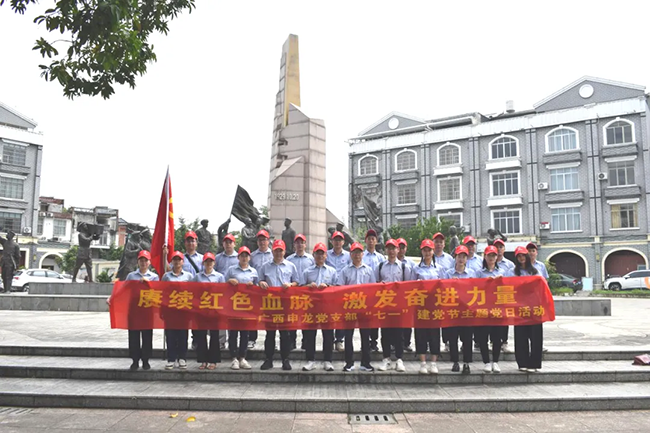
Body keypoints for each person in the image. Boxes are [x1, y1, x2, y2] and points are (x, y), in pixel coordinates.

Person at [108, 250, 158, 371]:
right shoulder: (131, 276)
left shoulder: (154, 277)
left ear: (149, 262)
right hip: (134, 311)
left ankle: (146, 360)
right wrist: (112, 298)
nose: (143, 263)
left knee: (147, 337)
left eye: (146, 260)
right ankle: (135, 360)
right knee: (134, 337)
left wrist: (148, 284)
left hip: (147, 311)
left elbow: (157, 293)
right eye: (141, 260)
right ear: (138, 262)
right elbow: (123, 290)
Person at [258, 240, 299, 371]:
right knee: (270, 333)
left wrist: (291, 285)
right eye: (276, 250)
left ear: (284, 251)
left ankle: (285, 360)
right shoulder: (265, 266)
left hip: (285, 304)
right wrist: (261, 282)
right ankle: (268, 359)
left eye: (280, 250)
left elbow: (297, 282)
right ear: (272, 251)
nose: (278, 253)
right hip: (270, 304)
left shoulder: (291, 266)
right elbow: (259, 280)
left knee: (285, 334)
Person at [301, 242, 338, 372]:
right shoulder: (307, 271)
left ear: (326, 256)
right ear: (314, 255)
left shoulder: (332, 271)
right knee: (310, 335)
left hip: (327, 308)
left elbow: (337, 288)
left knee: (328, 335)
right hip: (311, 308)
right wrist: (307, 286)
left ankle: (328, 360)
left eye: (322, 254)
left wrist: (327, 287)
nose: (320, 256)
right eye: (318, 254)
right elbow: (299, 288)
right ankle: (310, 360)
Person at [340, 242, 376, 372]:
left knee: (365, 336)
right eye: (354, 252)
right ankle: (349, 363)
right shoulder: (345, 271)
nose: (357, 255)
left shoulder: (368, 270)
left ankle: (365, 362)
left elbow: (373, 289)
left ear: (362, 254)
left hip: (364, 308)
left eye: (359, 252)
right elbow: (340, 289)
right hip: (349, 307)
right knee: (348, 336)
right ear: (350, 254)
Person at [376, 239, 408, 372]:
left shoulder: (404, 267)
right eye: (388, 248)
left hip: (398, 304)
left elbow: (407, 286)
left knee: (399, 333)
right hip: (385, 303)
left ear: (398, 250)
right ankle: (386, 358)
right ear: (385, 251)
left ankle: (399, 359)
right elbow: (376, 283)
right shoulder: (380, 266)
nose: (391, 251)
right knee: (385, 333)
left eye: (393, 248)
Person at [224, 246, 258, 370]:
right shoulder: (231, 270)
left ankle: (242, 357)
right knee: (233, 333)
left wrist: (253, 286)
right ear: (238, 257)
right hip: (233, 306)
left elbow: (258, 288)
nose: (244, 258)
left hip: (247, 307)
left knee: (245, 333)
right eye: (242, 255)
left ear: (249, 258)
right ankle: (233, 358)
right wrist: (229, 281)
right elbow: (222, 284)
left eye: (246, 255)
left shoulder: (253, 272)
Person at [444, 245, 476, 374]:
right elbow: (443, 291)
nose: (461, 259)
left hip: (467, 311)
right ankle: (455, 362)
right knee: (453, 338)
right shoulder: (448, 274)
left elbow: (477, 291)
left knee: (467, 338)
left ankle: (467, 363)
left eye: (464, 256)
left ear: (467, 259)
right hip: (453, 311)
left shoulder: (472, 274)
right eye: (459, 256)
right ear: (455, 258)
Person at [474, 246, 505, 373]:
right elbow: (474, 288)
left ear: (497, 257)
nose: (491, 258)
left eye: (493, 255)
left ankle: (496, 361)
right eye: (489, 255)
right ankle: (486, 361)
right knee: (483, 337)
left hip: (497, 308)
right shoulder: (479, 272)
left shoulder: (502, 271)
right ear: (485, 257)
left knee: (497, 337)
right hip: (483, 308)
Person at [412, 239, 442, 374]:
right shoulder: (416, 269)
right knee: (421, 334)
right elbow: (410, 286)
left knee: (435, 334)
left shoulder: (439, 269)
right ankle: (423, 363)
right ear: (421, 251)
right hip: (421, 306)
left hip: (435, 306)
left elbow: (444, 286)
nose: (427, 252)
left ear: (433, 251)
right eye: (425, 250)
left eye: (429, 250)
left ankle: (433, 363)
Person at [162, 251, 194, 370]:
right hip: (170, 310)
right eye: (174, 259)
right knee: (170, 334)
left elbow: (192, 293)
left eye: (179, 259)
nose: (177, 262)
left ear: (182, 261)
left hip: (184, 309)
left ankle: (182, 358)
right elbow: (162, 292)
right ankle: (171, 358)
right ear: (172, 261)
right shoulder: (166, 276)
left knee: (182, 334)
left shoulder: (189, 276)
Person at [513, 246, 543, 372]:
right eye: (519, 256)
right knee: (520, 336)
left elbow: (542, 286)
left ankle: (535, 363)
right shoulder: (512, 272)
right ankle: (522, 362)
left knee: (536, 336)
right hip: (519, 308)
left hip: (534, 307)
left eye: (523, 255)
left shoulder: (535, 271)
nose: (521, 258)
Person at [192, 252, 224, 370]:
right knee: (201, 335)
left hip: (214, 310)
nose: (209, 264)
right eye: (207, 261)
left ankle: (213, 360)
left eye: (211, 261)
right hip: (201, 310)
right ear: (203, 263)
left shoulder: (219, 277)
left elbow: (223, 293)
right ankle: (203, 360)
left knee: (214, 335)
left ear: (214, 263)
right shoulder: (197, 277)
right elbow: (193, 293)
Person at [286, 233, 314, 350]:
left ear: (305, 244)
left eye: (302, 242)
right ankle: (291, 342)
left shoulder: (311, 259)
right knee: (292, 318)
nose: (300, 245)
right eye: (297, 242)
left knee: (306, 318)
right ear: (294, 245)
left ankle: (305, 342)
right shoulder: (289, 259)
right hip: (293, 292)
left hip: (307, 293)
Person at [326, 231, 351, 352]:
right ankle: (329, 340)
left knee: (341, 316)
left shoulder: (348, 256)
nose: (337, 242)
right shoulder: (325, 254)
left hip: (342, 290)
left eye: (339, 240)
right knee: (330, 315)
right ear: (331, 241)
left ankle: (339, 340)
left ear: (343, 242)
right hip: (328, 289)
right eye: (335, 240)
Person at [249, 229, 272, 349]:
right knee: (253, 314)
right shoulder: (252, 256)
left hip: (270, 291)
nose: (262, 242)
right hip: (256, 289)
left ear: (268, 241)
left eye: (264, 240)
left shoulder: (274, 254)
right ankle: (252, 339)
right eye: (260, 240)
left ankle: (272, 340)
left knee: (271, 316)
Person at [363, 229, 385, 352]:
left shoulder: (381, 258)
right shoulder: (361, 255)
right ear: (365, 241)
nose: (371, 241)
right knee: (366, 318)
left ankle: (374, 342)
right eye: (369, 239)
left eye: (373, 239)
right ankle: (365, 342)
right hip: (364, 292)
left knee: (376, 318)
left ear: (376, 241)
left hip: (377, 292)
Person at [493, 238, 514, 353]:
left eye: (501, 247)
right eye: (496, 247)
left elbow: (513, 279)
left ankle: (504, 342)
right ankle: (493, 341)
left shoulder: (509, 264)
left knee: (504, 319)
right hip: (491, 297)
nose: (499, 249)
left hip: (504, 295)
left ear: (504, 249)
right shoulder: (487, 262)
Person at [396, 238, 416, 352]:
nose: (401, 250)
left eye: (403, 247)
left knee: (407, 320)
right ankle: (395, 343)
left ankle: (407, 343)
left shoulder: (411, 264)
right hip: (393, 297)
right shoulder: (387, 263)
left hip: (407, 295)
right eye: (399, 247)